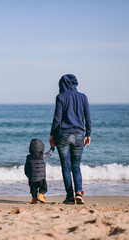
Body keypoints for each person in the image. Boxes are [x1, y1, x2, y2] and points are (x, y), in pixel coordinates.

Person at [49, 74, 91, 205]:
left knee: (66, 168)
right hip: (79, 135)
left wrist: (52, 135)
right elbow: (88, 118)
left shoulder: (61, 97)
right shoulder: (83, 97)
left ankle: (69, 196)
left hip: (62, 135)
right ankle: (79, 192)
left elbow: (57, 118)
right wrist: (88, 134)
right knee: (76, 167)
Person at [24, 138, 55, 204]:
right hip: (41, 178)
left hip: (31, 178)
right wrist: (52, 147)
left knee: (33, 189)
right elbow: (49, 154)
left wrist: (26, 173)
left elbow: (26, 166)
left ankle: (34, 199)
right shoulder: (42, 156)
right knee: (43, 187)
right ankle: (40, 195)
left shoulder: (29, 157)